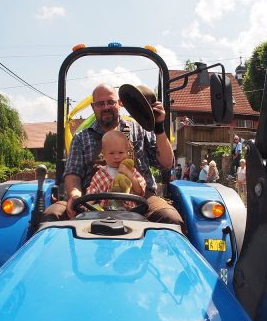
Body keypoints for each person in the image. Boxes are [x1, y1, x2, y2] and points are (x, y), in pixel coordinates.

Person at [43, 83, 184, 229]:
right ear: (93, 107)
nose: (106, 107)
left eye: (110, 102)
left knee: (171, 218)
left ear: (120, 104)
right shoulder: (81, 138)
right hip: (92, 200)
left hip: (140, 198)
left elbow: (167, 163)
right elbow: (73, 173)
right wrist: (75, 195)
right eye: (100, 103)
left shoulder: (139, 129)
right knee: (52, 215)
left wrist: (159, 127)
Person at [86, 130, 146, 209]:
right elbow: (91, 195)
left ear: (127, 153)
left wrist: (128, 173)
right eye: (111, 153)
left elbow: (139, 192)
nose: (116, 157)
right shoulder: (99, 174)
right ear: (104, 155)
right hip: (104, 214)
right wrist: (86, 206)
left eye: (121, 152)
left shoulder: (132, 171)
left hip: (129, 213)